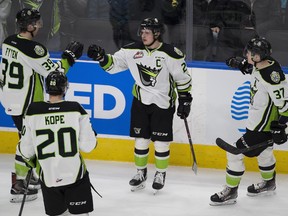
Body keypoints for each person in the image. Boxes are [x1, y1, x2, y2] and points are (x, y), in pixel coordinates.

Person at [87, 17, 192, 193]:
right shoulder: (131, 50)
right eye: (142, 32)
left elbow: (183, 79)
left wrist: (185, 99)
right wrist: (101, 57)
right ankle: (140, 173)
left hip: (163, 103)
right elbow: (113, 66)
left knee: (160, 143)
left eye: (147, 32)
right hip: (141, 101)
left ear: (157, 34)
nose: (143, 35)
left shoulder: (171, 54)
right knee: (141, 141)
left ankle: (160, 173)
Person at [0, 8, 83, 203]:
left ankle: (29, 176)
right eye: (36, 22)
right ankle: (19, 183)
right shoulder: (34, 49)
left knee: (28, 138)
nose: (39, 25)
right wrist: (69, 58)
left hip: (10, 99)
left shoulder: (8, 41)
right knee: (28, 142)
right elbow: (55, 75)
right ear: (29, 26)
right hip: (26, 104)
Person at [210, 37, 288, 205]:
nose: (247, 54)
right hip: (257, 123)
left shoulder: (271, 75)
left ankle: (230, 191)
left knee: (234, 152)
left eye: (250, 53)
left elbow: (285, 103)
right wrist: (240, 64)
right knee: (265, 153)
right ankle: (269, 183)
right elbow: (254, 71)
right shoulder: (261, 65)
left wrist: (281, 126)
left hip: (262, 128)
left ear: (258, 56)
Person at [18, 71, 97, 216]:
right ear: (65, 88)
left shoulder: (33, 110)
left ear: (47, 88)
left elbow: (25, 151)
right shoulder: (76, 109)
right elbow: (88, 146)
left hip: (48, 177)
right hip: (75, 176)